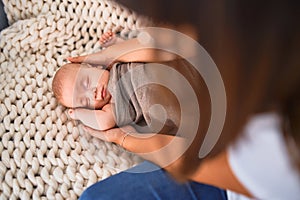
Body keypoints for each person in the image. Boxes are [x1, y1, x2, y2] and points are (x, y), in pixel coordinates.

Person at [68, 0, 300, 199]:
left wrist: (120, 137)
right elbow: (169, 43)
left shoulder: (279, 148)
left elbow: (188, 159)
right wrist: (110, 55)